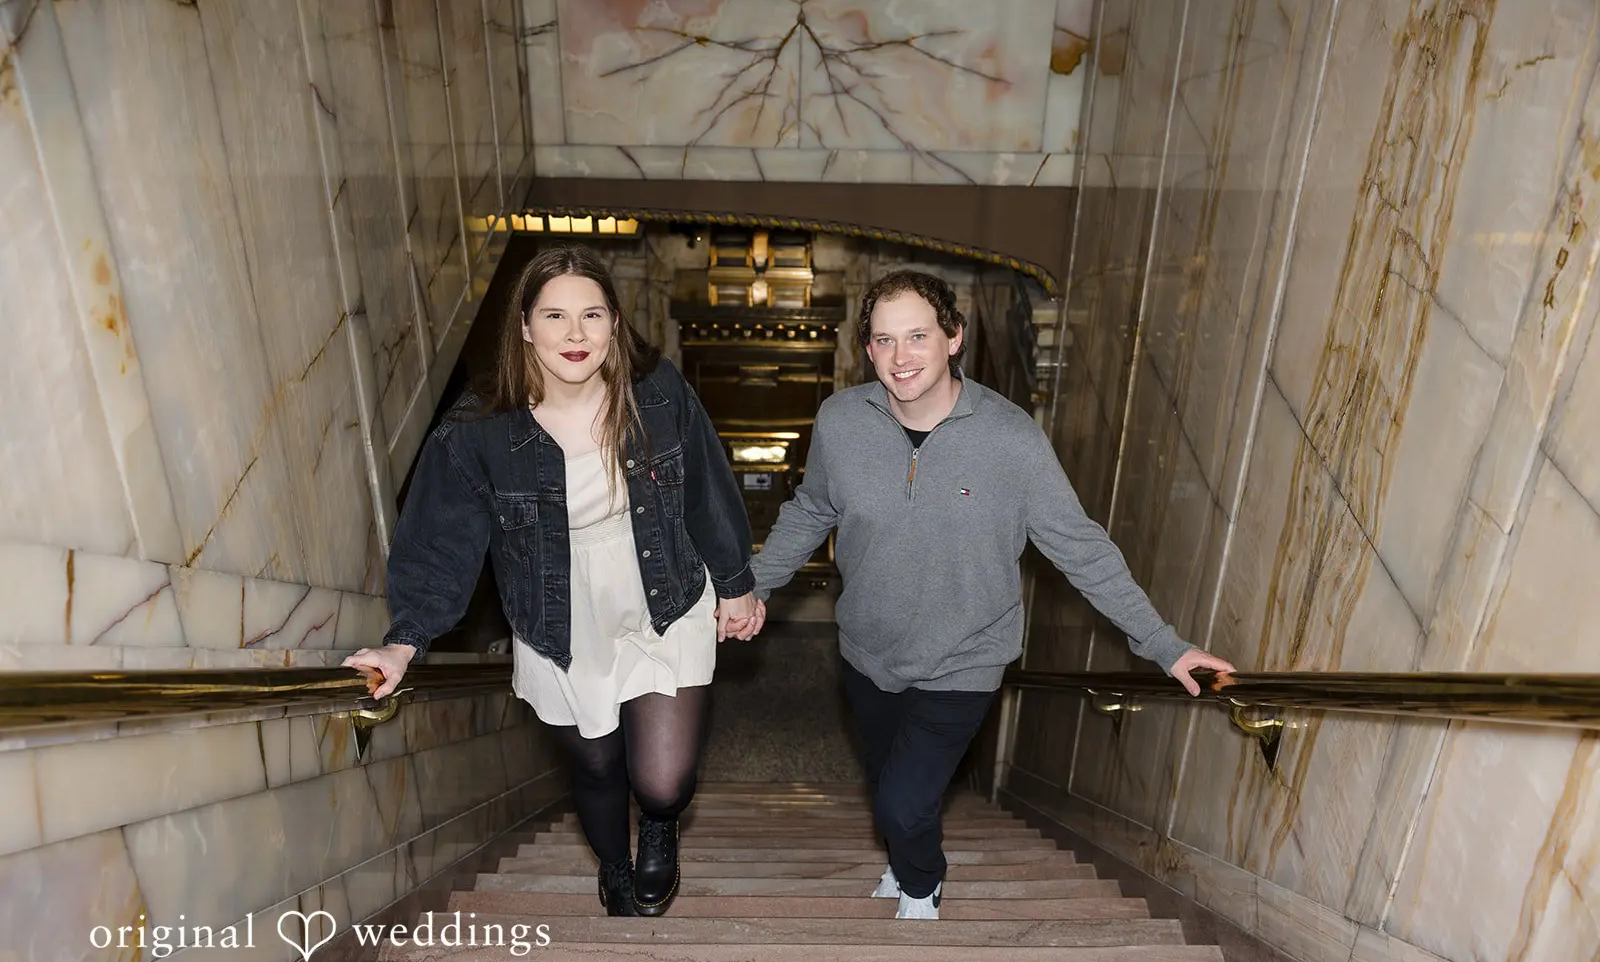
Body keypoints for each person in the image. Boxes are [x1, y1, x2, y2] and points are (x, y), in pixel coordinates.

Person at [746, 269, 1235, 920]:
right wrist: (752, 586)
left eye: (918, 336)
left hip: (965, 658)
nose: (901, 358)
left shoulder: (1012, 441)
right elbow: (810, 510)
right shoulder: (840, 421)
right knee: (887, 779)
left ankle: (922, 880)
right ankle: (902, 855)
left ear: (954, 337)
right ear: (867, 349)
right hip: (867, 650)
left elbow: (1081, 548)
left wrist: (1166, 647)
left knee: (903, 800)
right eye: (885, 340)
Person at [343, 244, 761, 918]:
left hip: (662, 591)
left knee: (662, 778)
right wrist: (404, 641)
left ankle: (657, 824)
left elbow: (706, 487)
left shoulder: (655, 390)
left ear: (615, 324)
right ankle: (614, 865)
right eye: (556, 316)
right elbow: (441, 544)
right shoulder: (477, 429)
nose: (576, 335)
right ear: (525, 328)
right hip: (556, 611)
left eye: (592, 314)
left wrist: (736, 580)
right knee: (596, 766)